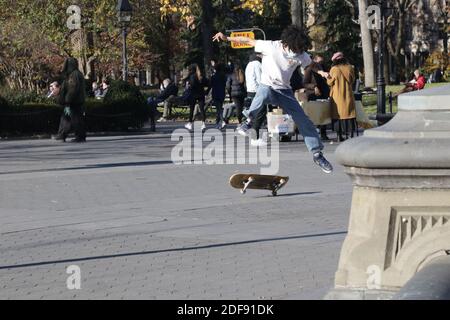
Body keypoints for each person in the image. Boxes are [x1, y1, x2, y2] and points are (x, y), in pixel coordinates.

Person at [213, 25, 333, 174]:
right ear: (287, 43)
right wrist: (227, 38)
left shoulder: (301, 54)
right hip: (268, 86)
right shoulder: (271, 46)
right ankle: (248, 122)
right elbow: (248, 41)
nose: (297, 53)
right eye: (295, 49)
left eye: (300, 50)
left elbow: (311, 64)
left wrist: (321, 72)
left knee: (304, 120)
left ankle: (317, 154)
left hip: (285, 91)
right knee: (262, 94)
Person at [318, 52, 356, 142]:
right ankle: (349, 134)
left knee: (338, 115)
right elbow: (352, 80)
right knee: (349, 114)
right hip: (348, 95)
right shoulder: (349, 68)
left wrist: (326, 76)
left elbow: (329, 82)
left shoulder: (334, 69)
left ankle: (339, 135)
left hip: (337, 96)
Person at [55, 57, 87, 143]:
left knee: (72, 119)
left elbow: (73, 89)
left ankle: (71, 136)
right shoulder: (74, 74)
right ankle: (63, 135)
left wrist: (67, 100)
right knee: (69, 119)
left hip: (74, 102)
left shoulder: (74, 75)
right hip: (75, 101)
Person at [300, 55, 331, 140]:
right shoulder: (309, 69)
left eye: (322, 62)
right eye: (319, 61)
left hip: (324, 94)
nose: (320, 63)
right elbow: (305, 83)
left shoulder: (323, 68)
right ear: (314, 60)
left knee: (323, 114)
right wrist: (314, 87)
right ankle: (313, 133)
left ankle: (323, 133)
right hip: (313, 95)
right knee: (313, 115)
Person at [184, 64, 208, 131]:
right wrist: (206, 90)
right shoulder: (201, 76)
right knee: (202, 109)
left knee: (191, 109)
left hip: (193, 94)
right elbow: (207, 83)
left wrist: (189, 87)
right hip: (201, 94)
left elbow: (192, 85)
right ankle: (203, 123)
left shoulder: (192, 76)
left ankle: (190, 123)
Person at [207, 63, 227, 129]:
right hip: (222, 93)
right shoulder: (223, 76)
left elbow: (210, 85)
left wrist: (206, 92)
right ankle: (219, 121)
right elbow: (225, 84)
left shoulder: (214, 76)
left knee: (218, 109)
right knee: (219, 108)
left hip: (215, 93)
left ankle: (221, 121)